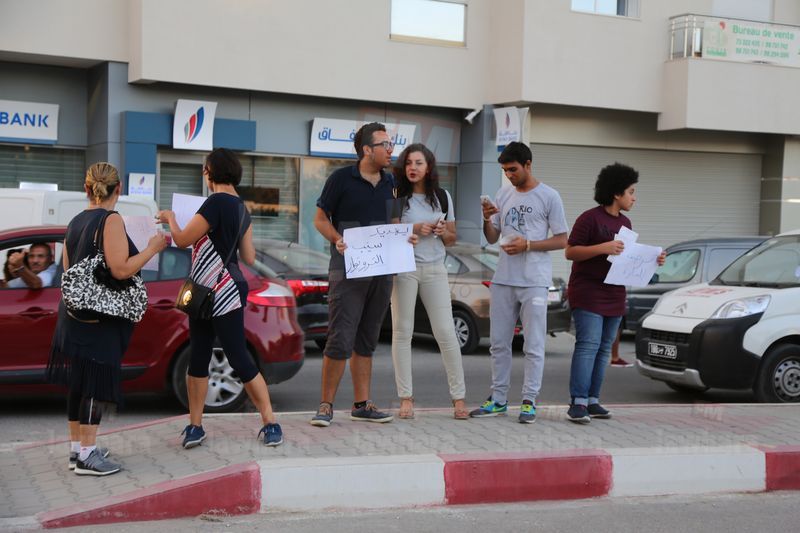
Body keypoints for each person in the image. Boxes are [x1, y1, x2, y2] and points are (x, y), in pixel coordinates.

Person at [46, 162, 167, 476]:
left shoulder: (75, 221)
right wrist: (152, 248)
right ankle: (88, 456)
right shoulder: (111, 220)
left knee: (79, 382)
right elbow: (121, 269)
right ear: (119, 189)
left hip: (73, 314)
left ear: (86, 188)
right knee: (95, 383)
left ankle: (77, 449)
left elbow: (69, 268)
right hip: (99, 319)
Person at [158, 148, 283, 448]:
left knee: (199, 355)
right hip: (231, 287)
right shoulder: (241, 209)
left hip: (207, 288)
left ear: (210, 172)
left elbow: (182, 239)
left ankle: (195, 426)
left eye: (205, 169)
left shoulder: (214, 202)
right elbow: (249, 257)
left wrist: (170, 218)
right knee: (238, 355)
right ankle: (270, 423)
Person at [310, 122, 417, 427]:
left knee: (367, 339)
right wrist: (337, 239)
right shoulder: (341, 179)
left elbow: (394, 221)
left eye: (391, 144)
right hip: (347, 270)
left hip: (382, 270)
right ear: (367, 149)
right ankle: (325, 406)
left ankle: (361, 405)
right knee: (340, 338)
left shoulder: (392, 182)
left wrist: (404, 237)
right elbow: (320, 219)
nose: (391, 149)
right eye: (385, 144)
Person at [470, 142, 568, 423]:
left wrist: (528, 245)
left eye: (513, 169)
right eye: (505, 170)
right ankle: (498, 399)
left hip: (535, 281)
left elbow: (562, 240)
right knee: (498, 343)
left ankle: (529, 401)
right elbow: (492, 237)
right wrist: (486, 219)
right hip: (503, 279)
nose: (509, 175)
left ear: (528, 164)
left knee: (533, 344)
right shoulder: (503, 194)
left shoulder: (549, 196)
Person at [564, 163, 665, 424]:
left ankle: (593, 400)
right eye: (631, 191)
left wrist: (654, 260)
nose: (634, 197)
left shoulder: (625, 222)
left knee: (604, 349)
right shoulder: (589, 218)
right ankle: (578, 402)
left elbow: (627, 258)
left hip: (615, 294)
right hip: (588, 292)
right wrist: (603, 247)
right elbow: (570, 252)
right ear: (616, 193)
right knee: (588, 345)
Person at [390, 143, 468, 420]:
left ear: (429, 167)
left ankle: (459, 398)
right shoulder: (397, 194)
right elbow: (389, 232)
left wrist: (442, 230)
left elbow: (452, 239)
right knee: (402, 332)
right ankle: (405, 398)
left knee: (446, 332)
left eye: (418, 163)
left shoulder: (443, 197)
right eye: (409, 163)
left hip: (435, 268)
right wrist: (412, 229)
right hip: (405, 269)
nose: (412, 168)